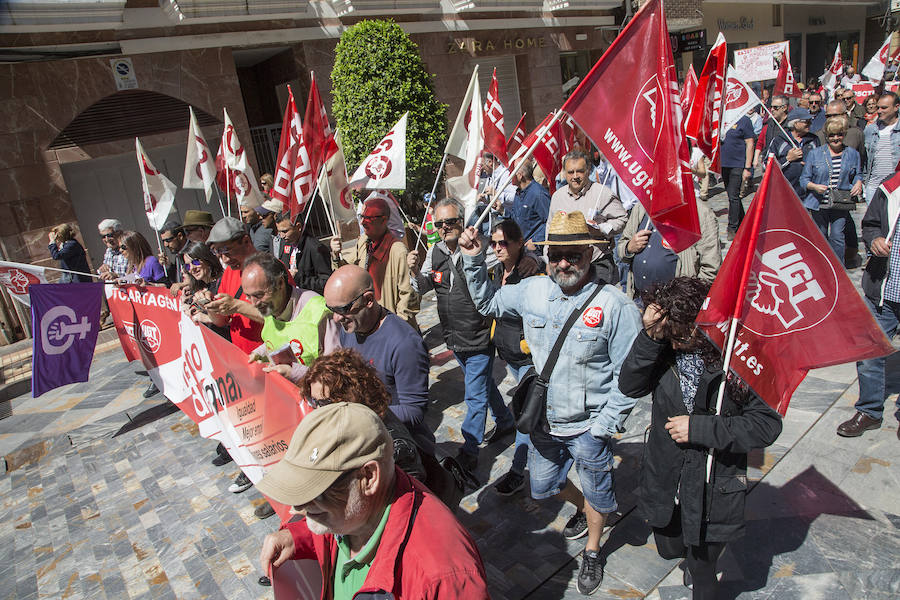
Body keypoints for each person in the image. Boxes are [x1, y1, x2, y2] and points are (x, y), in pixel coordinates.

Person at [458, 211, 642, 595]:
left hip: (590, 426)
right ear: (545, 255)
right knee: (543, 488)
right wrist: (476, 259)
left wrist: (606, 425)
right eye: (556, 254)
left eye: (573, 255)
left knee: (598, 494)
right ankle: (581, 509)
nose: (564, 263)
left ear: (590, 253)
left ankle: (593, 548)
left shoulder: (616, 306)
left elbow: (631, 375)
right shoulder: (534, 290)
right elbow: (488, 304)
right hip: (544, 424)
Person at [619, 277, 782, 600]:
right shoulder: (664, 347)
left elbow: (766, 425)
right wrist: (651, 335)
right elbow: (630, 385)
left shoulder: (740, 358)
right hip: (666, 475)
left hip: (713, 484)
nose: (676, 344)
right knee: (669, 548)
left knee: (702, 568)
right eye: (671, 334)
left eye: (682, 335)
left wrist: (700, 429)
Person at [257, 402, 490, 599]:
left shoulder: (444, 576)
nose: (298, 507)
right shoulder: (357, 509)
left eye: (316, 489)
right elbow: (344, 520)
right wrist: (298, 537)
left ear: (369, 477)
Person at [408, 197, 515, 475]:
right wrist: (412, 269)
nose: (444, 228)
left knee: (474, 394)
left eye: (451, 222)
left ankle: (470, 450)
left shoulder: (481, 246)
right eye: (439, 223)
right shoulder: (434, 251)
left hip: (479, 333)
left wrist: (478, 253)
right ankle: (504, 421)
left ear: (462, 221)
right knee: (481, 384)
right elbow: (423, 287)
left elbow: (508, 261)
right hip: (453, 335)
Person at [324, 265, 434, 454]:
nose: (335, 318)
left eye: (342, 309)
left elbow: (414, 411)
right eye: (330, 309)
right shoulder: (350, 327)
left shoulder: (404, 344)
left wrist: (361, 414)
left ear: (368, 300)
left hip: (405, 449)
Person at [299, 348, 427, 482]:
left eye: (325, 402)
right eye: (315, 402)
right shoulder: (348, 424)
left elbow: (410, 492)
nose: (318, 411)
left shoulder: (395, 448)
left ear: (350, 396)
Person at [836, 179, 900, 439]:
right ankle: (870, 411)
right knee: (869, 352)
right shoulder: (891, 188)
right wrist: (874, 241)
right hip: (885, 290)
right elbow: (870, 224)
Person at [484, 220, 543, 496]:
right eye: (494, 243)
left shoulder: (530, 270)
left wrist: (534, 259)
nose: (497, 248)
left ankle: (518, 472)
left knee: (523, 415)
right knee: (531, 412)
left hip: (526, 359)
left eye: (504, 242)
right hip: (509, 353)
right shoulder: (499, 270)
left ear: (520, 242)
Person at [244, 252, 339, 384]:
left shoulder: (318, 312)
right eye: (248, 296)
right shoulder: (270, 307)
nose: (254, 303)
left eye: (259, 295)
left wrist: (294, 373)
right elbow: (281, 338)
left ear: (280, 283)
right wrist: (259, 353)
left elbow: (337, 372)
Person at [330, 193, 418, 329]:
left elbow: (408, 295)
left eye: (370, 218)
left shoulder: (397, 250)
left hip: (391, 326)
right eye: (362, 217)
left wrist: (396, 327)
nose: (363, 222)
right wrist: (336, 256)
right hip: (369, 323)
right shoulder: (363, 242)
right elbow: (349, 275)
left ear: (384, 220)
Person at [617, 198, 721, 299]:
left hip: (676, 303)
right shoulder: (642, 206)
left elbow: (711, 267)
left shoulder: (700, 212)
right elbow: (622, 247)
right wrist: (629, 248)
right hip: (640, 297)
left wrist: (688, 300)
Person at [549, 150, 627, 283]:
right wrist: (548, 259)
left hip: (597, 264)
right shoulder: (557, 196)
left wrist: (601, 229)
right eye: (570, 172)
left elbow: (622, 219)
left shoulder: (603, 193)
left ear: (588, 170)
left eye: (579, 171)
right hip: (566, 265)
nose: (575, 176)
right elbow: (549, 229)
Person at [800, 116, 863, 261]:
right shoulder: (815, 154)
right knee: (820, 237)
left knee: (837, 237)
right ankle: (822, 267)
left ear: (844, 134)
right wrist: (814, 187)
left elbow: (858, 174)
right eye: (832, 135)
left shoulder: (853, 154)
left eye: (839, 134)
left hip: (840, 202)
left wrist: (858, 182)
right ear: (826, 136)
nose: (836, 138)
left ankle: (838, 268)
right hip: (818, 202)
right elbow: (804, 180)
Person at [201, 217, 265, 355]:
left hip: (272, 361)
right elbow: (220, 321)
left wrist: (236, 306)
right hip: (244, 358)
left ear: (246, 241)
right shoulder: (230, 272)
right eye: (218, 252)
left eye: (227, 250)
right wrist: (210, 305)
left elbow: (282, 319)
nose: (225, 259)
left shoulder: (270, 269)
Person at [178, 241, 229, 340]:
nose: (192, 268)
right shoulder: (199, 288)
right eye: (187, 266)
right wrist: (188, 306)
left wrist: (204, 317)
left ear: (207, 259)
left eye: (195, 262)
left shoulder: (223, 282)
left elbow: (229, 321)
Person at [273, 212, 332, 295]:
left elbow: (326, 282)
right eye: (279, 232)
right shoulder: (286, 243)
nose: (282, 236)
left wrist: (299, 278)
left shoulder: (315, 248)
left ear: (298, 227)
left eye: (285, 231)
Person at [720, 110, 756, 240]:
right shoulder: (722, 119)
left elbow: (750, 143)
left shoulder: (744, 120)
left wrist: (747, 167)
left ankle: (732, 228)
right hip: (724, 164)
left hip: (738, 164)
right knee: (731, 195)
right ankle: (744, 222)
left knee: (733, 196)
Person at [769, 108, 819, 198]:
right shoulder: (779, 141)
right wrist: (788, 159)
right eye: (806, 121)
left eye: (810, 121)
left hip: (808, 193)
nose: (810, 124)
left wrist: (810, 165)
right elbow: (767, 166)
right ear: (795, 123)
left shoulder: (814, 140)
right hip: (784, 192)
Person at [863, 92, 900, 203]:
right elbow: (864, 158)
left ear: (896, 107)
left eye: (884, 108)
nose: (879, 111)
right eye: (878, 107)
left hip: (896, 188)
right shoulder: (871, 130)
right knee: (874, 221)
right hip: (874, 187)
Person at [507, 159, 551, 247]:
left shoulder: (538, 194)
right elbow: (517, 217)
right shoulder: (519, 193)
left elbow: (550, 221)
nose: (509, 175)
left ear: (520, 175)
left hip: (535, 252)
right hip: (520, 247)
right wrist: (501, 210)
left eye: (512, 172)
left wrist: (536, 241)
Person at [753, 95, 789, 167]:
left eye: (775, 107)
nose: (772, 110)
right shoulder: (769, 123)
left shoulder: (790, 125)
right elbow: (760, 142)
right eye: (771, 107)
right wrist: (756, 158)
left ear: (784, 108)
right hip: (768, 162)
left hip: (785, 164)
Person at [158, 220, 188, 285]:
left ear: (180, 236)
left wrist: (182, 285)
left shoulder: (192, 251)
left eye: (168, 240)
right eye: (163, 241)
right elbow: (177, 279)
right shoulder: (178, 254)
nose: (166, 244)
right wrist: (168, 265)